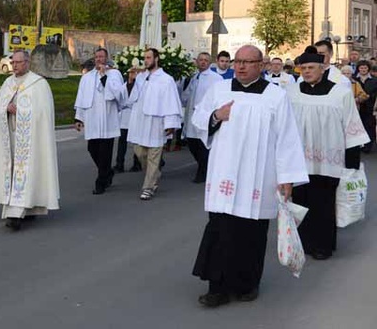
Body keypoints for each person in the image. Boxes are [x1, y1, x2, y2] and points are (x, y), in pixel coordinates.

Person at [191, 45, 309, 307]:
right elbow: (198, 118)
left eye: (248, 62)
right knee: (219, 230)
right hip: (224, 174)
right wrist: (216, 116)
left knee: (251, 233)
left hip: (259, 177)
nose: (241, 66)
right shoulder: (219, 90)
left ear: (261, 65)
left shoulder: (275, 96)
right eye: (238, 61)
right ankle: (217, 287)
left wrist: (287, 177)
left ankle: (247, 283)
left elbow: (287, 138)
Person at [286, 49, 369, 260]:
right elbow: (284, 127)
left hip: (329, 161)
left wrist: (352, 163)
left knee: (323, 203)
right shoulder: (292, 93)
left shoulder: (340, 93)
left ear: (322, 68)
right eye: (303, 68)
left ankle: (323, 245)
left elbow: (351, 125)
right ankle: (304, 242)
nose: (306, 72)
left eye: (311, 68)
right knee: (301, 200)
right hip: (300, 160)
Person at [0, 50, 60, 231]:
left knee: (28, 172)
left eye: (18, 62)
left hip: (30, 141)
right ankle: (19, 208)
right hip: (10, 137)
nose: (14, 66)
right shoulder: (7, 83)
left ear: (27, 62)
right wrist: (5, 109)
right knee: (11, 171)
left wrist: (22, 112)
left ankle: (16, 214)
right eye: (13, 62)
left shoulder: (39, 84)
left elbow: (43, 114)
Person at [125, 48, 183, 201]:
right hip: (141, 122)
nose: (146, 60)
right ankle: (155, 175)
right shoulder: (141, 77)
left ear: (156, 59)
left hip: (157, 123)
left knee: (153, 157)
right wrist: (131, 81)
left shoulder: (166, 79)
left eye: (149, 57)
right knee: (140, 153)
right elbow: (132, 99)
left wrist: (170, 124)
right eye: (145, 58)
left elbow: (171, 101)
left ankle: (148, 187)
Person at [75, 48, 126, 195]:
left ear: (106, 58)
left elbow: (118, 94)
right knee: (92, 149)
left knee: (105, 152)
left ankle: (101, 182)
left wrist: (104, 77)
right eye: (96, 57)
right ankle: (107, 171)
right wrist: (79, 117)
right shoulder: (87, 77)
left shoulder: (114, 74)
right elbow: (81, 97)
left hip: (107, 118)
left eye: (101, 56)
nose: (99, 59)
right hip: (92, 118)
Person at [181, 52, 223, 183]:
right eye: (201, 60)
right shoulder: (194, 77)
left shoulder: (215, 78)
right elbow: (186, 96)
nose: (203, 62)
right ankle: (204, 167)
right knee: (192, 144)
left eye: (206, 60)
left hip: (205, 117)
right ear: (197, 62)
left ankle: (203, 172)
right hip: (191, 117)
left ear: (210, 62)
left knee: (202, 145)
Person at [114, 68, 140, 173]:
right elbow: (118, 98)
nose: (133, 74)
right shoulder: (123, 86)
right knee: (122, 142)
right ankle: (119, 164)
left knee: (136, 141)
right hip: (124, 117)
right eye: (131, 72)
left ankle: (137, 164)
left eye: (135, 72)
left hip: (134, 116)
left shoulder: (139, 86)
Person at [354, 60, 377, 153]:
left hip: (369, 107)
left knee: (369, 127)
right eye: (361, 68)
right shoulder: (354, 79)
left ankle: (368, 146)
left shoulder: (374, 80)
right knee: (357, 127)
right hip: (356, 106)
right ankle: (357, 145)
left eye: (365, 68)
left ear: (368, 69)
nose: (363, 69)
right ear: (358, 69)